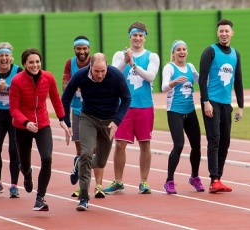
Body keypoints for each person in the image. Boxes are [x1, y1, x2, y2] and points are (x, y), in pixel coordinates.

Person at [61, 53, 131, 211]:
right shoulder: (80, 75)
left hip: (108, 121)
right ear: (90, 67)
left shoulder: (116, 76)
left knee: (100, 162)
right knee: (86, 153)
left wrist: (116, 122)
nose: (100, 75)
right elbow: (66, 97)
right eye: (96, 71)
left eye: (103, 71)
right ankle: (84, 197)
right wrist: (66, 121)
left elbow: (126, 98)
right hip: (88, 118)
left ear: (107, 67)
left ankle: (79, 164)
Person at [9, 48, 70, 211]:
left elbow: (56, 98)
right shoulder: (16, 81)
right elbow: (13, 109)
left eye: (37, 62)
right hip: (23, 127)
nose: (35, 65)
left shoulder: (48, 77)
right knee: (25, 163)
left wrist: (62, 118)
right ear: (24, 64)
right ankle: (27, 175)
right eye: (31, 62)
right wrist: (25, 122)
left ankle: (40, 198)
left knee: (47, 158)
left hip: (43, 124)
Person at [102, 21, 160, 195]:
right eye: (135, 35)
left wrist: (134, 64)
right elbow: (113, 75)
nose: (138, 38)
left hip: (144, 106)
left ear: (145, 38)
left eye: (141, 35)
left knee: (145, 143)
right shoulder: (120, 54)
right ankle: (118, 181)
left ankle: (144, 181)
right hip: (123, 107)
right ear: (130, 37)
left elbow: (150, 77)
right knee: (119, 144)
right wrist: (126, 62)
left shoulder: (152, 56)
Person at [199, 19, 244, 194]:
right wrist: (206, 101)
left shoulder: (235, 54)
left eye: (227, 31)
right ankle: (214, 179)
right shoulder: (210, 51)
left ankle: (219, 178)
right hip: (212, 102)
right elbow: (202, 79)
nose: (224, 34)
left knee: (225, 141)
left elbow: (238, 81)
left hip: (226, 104)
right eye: (221, 31)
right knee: (214, 140)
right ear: (217, 33)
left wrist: (240, 106)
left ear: (232, 33)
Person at [161, 40, 204, 194]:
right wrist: (174, 82)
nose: (182, 52)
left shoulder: (191, 67)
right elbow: (163, 86)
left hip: (190, 111)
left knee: (197, 146)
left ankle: (194, 177)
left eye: (184, 49)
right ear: (173, 53)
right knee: (179, 145)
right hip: (175, 111)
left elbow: (201, 81)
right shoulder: (169, 67)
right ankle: (169, 181)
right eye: (178, 49)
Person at [0, 42, 22, 198]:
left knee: (13, 150)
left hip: (14, 115)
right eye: (1, 55)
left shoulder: (18, 71)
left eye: (6, 55)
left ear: (11, 57)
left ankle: (14, 186)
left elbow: (25, 93)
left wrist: (10, 90)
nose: (4, 58)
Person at [62, 35, 92, 197]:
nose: (82, 51)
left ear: (89, 49)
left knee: (93, 149)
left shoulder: (95, 61)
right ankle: (81, 184)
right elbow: (65, 86)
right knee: (80, 148)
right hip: (77, 111)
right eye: (79, 48)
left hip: (94, 111)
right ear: (74, 49)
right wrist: (75, 85)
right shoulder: (70, 63)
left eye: (84, 48)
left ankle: (79, 167)